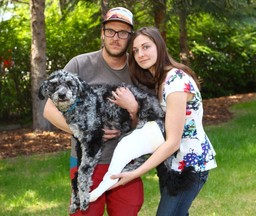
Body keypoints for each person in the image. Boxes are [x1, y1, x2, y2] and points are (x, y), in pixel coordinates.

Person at [43, 7, 144, 216]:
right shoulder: (80, 64)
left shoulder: (138, 71)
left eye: (123, 32)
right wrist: (83, 131)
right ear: (102, 33)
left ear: (130, 37)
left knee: (128, 211)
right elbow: (49, 109)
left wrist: (133, 110)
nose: (116, 38)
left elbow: (147, 121)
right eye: (110, 31)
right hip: (86, 161)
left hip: (126, 162)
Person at [109, 27, 217, 215]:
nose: (140, 54)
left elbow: (173, 142)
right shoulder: (160, 80)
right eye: (135, 50)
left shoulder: (176, 82)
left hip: (189, 166)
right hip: (170, 165)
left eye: (146, 47)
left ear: (159, 46)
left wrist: (135, 173)